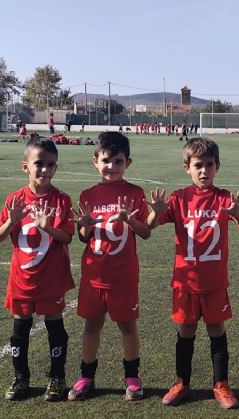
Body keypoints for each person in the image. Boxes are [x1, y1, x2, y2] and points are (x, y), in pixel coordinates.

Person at [146, 138, 239, 409]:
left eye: (209, 165)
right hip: (185, 281)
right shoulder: (179, 198)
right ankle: (182, 382)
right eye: (198, 166)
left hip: (214, 282)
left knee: (217, 330)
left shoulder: (224, 197)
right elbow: (152, 225)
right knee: (186, 330)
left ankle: (221, 385)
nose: (204, 171)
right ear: (187, 168)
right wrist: (155, 212)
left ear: (218, 166)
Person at [68, 132, 155, 402]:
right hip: (94, 275)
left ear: (127, 162)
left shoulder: (134, 193)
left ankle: (132, 377)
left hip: (123, 276)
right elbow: (83, 237)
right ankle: (86, 376)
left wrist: (130, 219)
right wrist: (85, 224)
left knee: (127, 327)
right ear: (95, 160)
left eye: (118, 161)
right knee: (92, 326)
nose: (111, 167)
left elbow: (145, 233)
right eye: (106, 161)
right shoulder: (88, 195)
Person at [0, 137, 75, 402]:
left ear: (56, 168)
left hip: (51, 279)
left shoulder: (61, 200)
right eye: (39, 163)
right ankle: (21, 377)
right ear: (25, 166)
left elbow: (66, 237)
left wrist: (47, 226)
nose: (45, 169)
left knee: (55, 326)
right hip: (21, 280)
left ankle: (57, 377)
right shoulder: (14, 199)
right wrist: (11, 221)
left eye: (51, 164)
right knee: (20, 328)